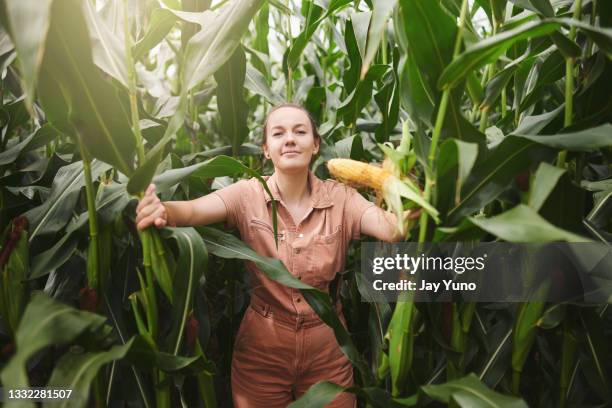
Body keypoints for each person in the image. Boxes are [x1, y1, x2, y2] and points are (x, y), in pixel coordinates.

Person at [135, 103, 420, 407]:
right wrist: (161, 209)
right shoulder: (247, 195)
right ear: (266, 149)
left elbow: (391, 230)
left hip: (328, 346)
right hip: (262, 350)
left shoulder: (342, 198)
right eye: (278, 133)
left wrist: (403, 186)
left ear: (316, 144)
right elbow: (191, 210)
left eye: (300, 132)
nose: (290, 139)